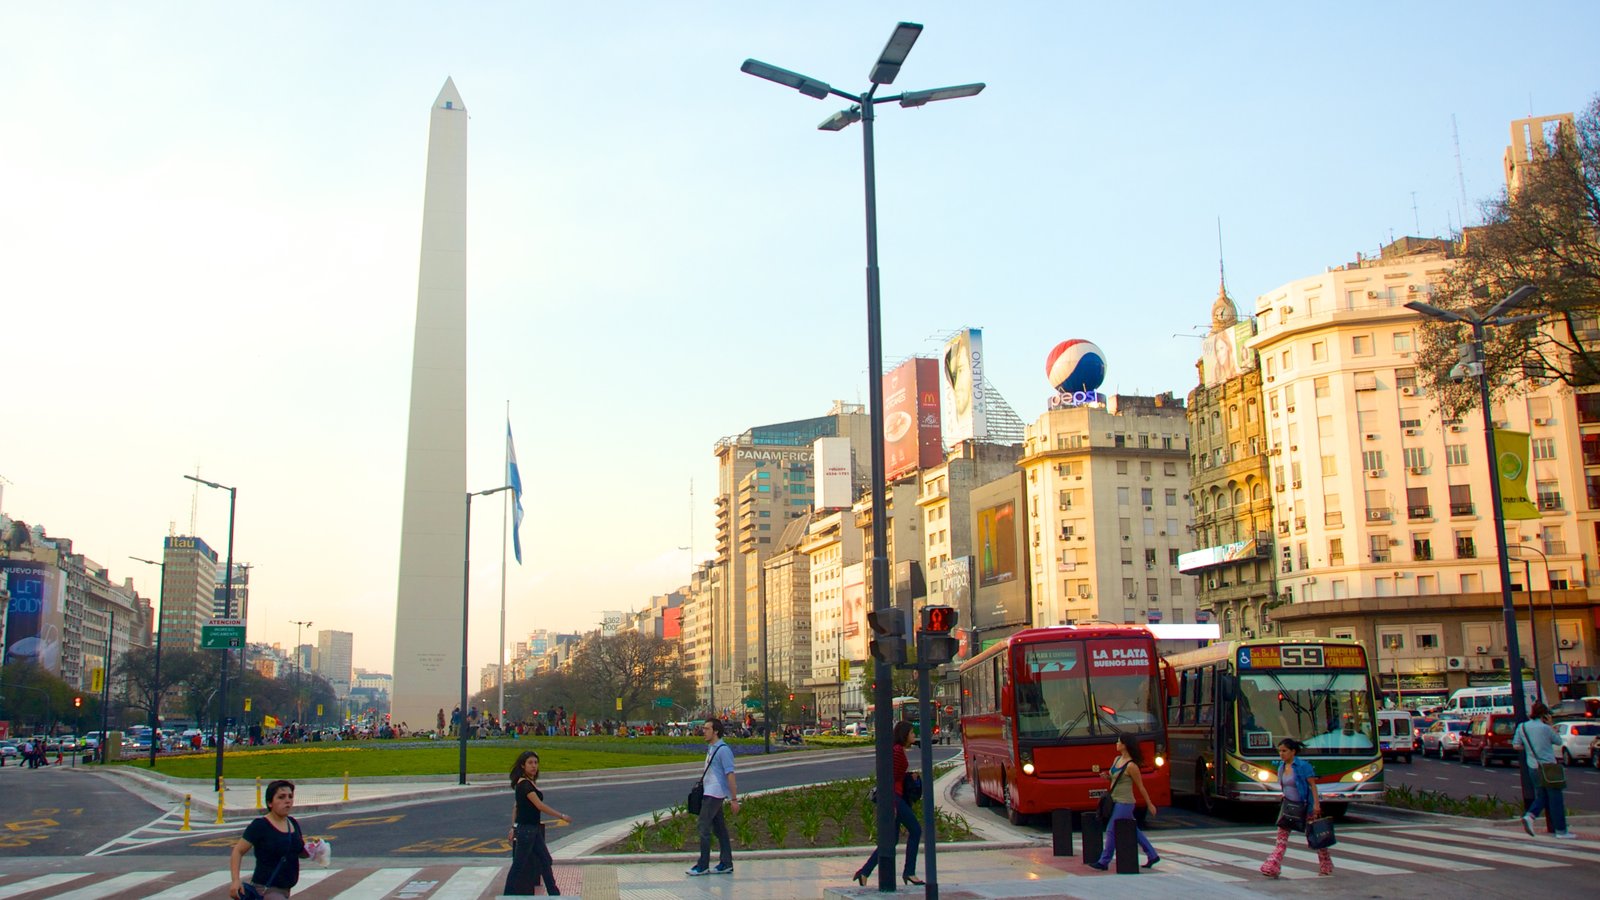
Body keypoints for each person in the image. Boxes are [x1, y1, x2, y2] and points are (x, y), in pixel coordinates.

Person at [851, 720, 925, 886]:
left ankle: (864, 872)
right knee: (915, 830)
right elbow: (890, 775)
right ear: (904, 735)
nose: (914, 735)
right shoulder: (897, 751)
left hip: (893, 797)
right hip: (894, 798)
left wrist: (908, 775)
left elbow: (895, 774)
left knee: (890, 840)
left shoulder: (898, 751)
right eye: (912, 733)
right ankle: (909, 872)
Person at [228, 780, 322, 899]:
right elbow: (238, 851)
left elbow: (298, 852)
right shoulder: (260, 825)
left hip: (286, 890)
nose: (287, 801)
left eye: (290, 796)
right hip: (266, 889)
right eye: (281, 797)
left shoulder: (292, 823)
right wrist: (235, 880)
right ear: (270, 803)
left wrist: (314, 850)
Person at [1260, 738, 1333, 878]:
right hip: (1288, 807)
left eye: (1284, 751)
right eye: (1280, 751)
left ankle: (1326, 864)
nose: (1281, 754)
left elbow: (1312, 786)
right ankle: (1272, 866)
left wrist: (1317, 805)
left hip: (1305, 807)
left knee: (1316, 838)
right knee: (1281, 840)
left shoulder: (1303, 766)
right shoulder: (1281, 767)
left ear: (1293, 751)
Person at [504, 750, 570, 895]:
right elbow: (539, 805)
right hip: (527, 831)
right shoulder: (525, 785)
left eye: (535, 763)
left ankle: (554, 893)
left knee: (545, 860)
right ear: (523, 766)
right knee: (520, 865)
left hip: (531, 830)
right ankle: (507, 895)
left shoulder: (527, 783)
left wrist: (513, 827)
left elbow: (516, 807)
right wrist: (561, 816)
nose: (534, 766)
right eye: (530, 763)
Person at [1089, 735, 1159, 870]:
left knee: (1111, 829)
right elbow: (1115, 779)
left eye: (1119, 742)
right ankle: (1152, 855)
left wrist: (1149, 804)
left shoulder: (1132, 766)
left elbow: (1141, 786)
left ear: (1125, 745)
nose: (1116, 744)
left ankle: (1104, 861)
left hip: (1125, 803)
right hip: (1115, 800)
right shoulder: (1117, 760)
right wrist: (1108, 777)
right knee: (1134, 830)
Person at [686, 718, 739, 877]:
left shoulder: (723, 750)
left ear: (715, 731)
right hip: (709, 790)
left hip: (715, 793)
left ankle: (703, 865)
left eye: (707, 728)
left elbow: (730, 774)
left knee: (703, 827)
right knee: (720, 829)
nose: (704, 731)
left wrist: (734, 799)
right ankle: (726, 863)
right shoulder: (711, 748)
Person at [1513, 701, 1575, 839]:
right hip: (1548, 767)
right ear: (1544, 715)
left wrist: (1530, 751)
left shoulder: (1522, 727)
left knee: (1542, 796)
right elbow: (1558, 741)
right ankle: (1561, 830)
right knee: (1555, 798)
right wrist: (1551, 725)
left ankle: (1530, 816)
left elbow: (1516, 745)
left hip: (1533, 766)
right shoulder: (1545, 728)